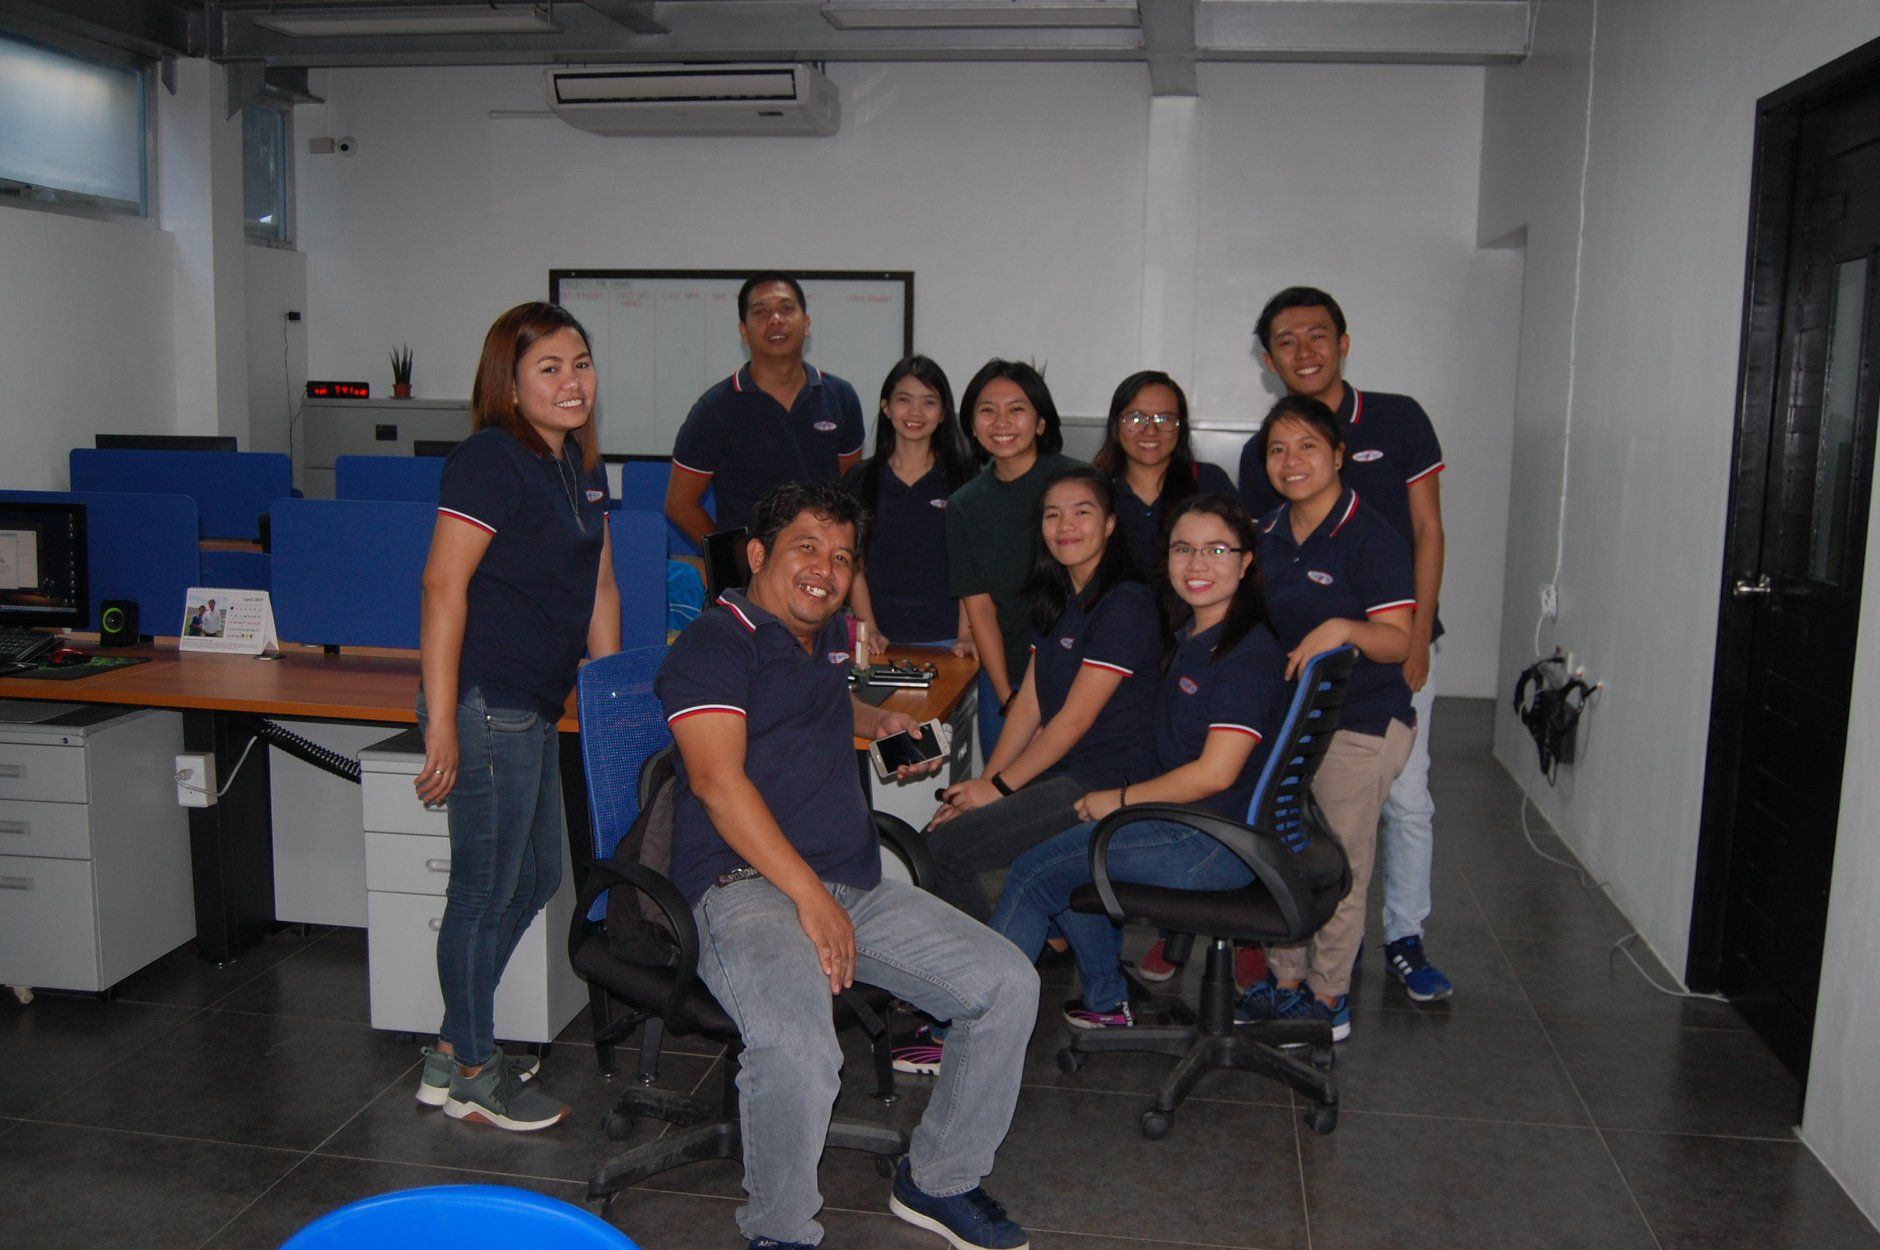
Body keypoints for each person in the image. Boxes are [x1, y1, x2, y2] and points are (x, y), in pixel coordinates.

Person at [657, 480, 1037, 1250]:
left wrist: (883, 718)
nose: (825, 570)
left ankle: (938, 1180)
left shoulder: (827, 636)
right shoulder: (715, 643)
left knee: (1006, 985)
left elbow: (829, 697)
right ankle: (781, 1231)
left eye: (840, 557)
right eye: (806, 548)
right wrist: (810, 899)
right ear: (758, 554)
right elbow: (716, 784)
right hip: (744, 885)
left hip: (849, 879)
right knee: (799, 1048)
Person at [414, 301, 621, 1130]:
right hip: (486, 701)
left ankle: (450, 1045)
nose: (572, 382)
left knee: (535, 877)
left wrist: (606, 701)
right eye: (550, 368)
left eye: (581, 362)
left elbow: (600, 585)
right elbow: (443, 587)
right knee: (482, 888)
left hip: (534, 703)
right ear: (510, 380)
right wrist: (438, 719)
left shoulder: (579, 464)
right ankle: (472, 1065)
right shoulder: (489, 460)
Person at [987, 493, 1289, 1028]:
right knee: (1056, 854)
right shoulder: (1196, 637)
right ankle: (1106, 1001)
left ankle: (965, 1026)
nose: (1197, 564)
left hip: (1208, 841)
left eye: (1216, 550)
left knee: (1035, 873)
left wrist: (1120, 799)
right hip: (1201, 825)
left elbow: (1215, 773)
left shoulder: (1247, 656)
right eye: (1183, 549)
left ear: (1246, 563)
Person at [1235, 286, 1453, 1002]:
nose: (1304, 351)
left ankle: (1399, 942)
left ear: (1344, 342)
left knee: (1402, 806)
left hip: (1383, 657)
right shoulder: (1265, 485)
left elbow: (1427, 531)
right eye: (1286, 341)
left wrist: (1414, 638)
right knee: (1300, 833)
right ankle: (1299, 973)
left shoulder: (1397, 421)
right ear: (1268, 360)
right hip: (1299, 696)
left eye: (1317, 335)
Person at [1241, 394, 1416, 1043]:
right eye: (1278, 449)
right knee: (1284, 850)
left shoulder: (1372, 537)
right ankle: (1286, 981)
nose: (1292, 461)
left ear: (1339, 454)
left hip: (1360, 722)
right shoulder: (1265, 533)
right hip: (1287, 724)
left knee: (1341, 862)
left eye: (1308, 446)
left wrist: (1343, 626)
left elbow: (1398, 640)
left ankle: (1328, 995)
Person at [925, 466, 1158, 918]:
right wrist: (984, 786)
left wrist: (997, 789)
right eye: (1053, 515)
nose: (1065, 526)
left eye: (1081, 512)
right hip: (1071, 770)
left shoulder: (1124, 603)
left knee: (944, 850)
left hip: (1108, 780)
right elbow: (1029, 702)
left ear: (1109, 524)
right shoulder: (1060, 598)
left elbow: (1073, 720)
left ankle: (980, 978)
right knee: (989, 845)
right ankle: (1108, 990)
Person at [665, 272, 866, 547]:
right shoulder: (715, 409)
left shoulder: (840, 397)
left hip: (823, 566)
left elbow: (849, 491)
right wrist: (735, 559)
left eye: (786, 309)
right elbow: (679, 504)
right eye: (761, 312)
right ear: (744, 332)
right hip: (753, 578)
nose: (775, 320)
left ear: (806, 324)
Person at [945, 359, 1081, 760]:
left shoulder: (1079, 484)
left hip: (1080, 677)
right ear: (972, 425)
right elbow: (981, 609)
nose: (1001, 421)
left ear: (1040, 421)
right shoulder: (964, 505)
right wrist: (1008, 699)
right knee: (1003, 807)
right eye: (987, 410)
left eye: (1017, 409)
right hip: (1007, 679)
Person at [842, 355, 976, 653]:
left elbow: (972, 565)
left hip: (950, 640)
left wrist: (966, 635)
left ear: (943, 413)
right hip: (880, 640)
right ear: (886, 406)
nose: (916, 411)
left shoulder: (964, 477)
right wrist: (868, 630)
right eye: (904, 399)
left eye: (929, 402)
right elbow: (854, 564)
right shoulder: (860, 479)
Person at [1092, 370, 1235, 573]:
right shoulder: (1095, 490)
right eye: (1136, 418)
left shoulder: (1209, 481)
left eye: (1164, 419)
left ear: (1181, 427)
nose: (1150, 430)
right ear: (1116, 425)